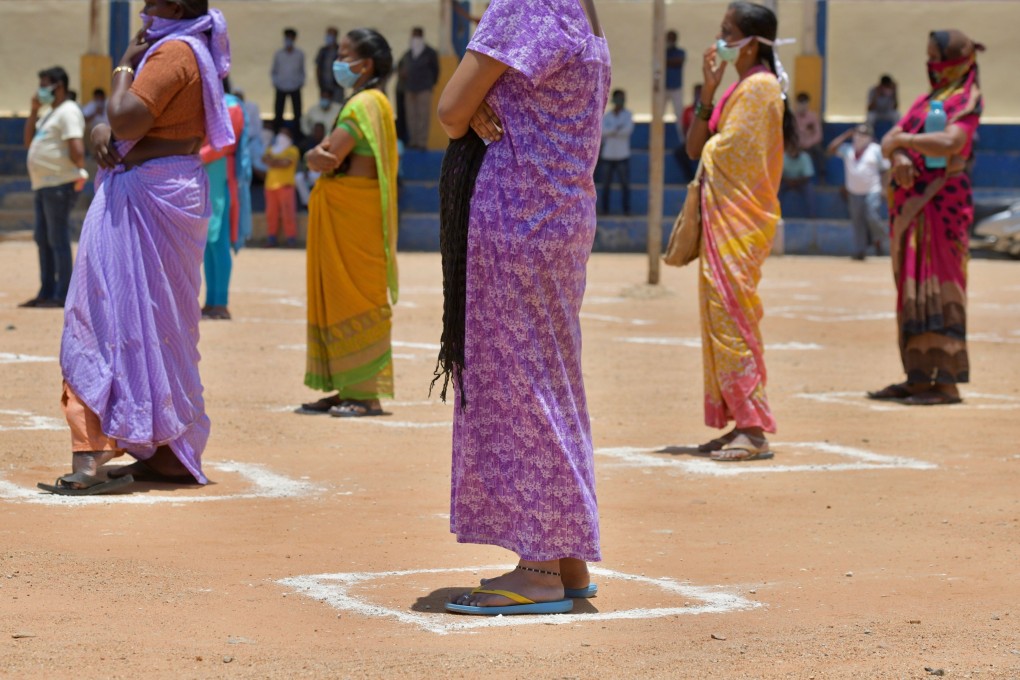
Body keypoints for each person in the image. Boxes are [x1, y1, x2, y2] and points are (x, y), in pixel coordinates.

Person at [435, 0, 609, 616]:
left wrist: (482, 103)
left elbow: (452, 110)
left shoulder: (525, 3)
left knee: (518, 382)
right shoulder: (581, 9)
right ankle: (566, 553)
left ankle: (538, 567)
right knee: (552, 376)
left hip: (517, 211)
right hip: (561, 212)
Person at [37, 0, 234, 495]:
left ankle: (90, 455)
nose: (144, 7)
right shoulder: (192, 49)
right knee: (159, 322)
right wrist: (109, 130)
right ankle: (165, 455)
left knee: (102, 315)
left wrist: (124, 61)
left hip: (145, 195)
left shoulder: (173, 54)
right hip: (166, 190)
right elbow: (137, 127)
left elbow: (126, 120)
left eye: (152, 0)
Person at [685, 1, 795, 461]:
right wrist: (708, 92)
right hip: (724, 219)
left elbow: (729, 156)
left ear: (751, 43)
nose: (720, 38)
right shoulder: (736, 90)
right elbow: (696, 147)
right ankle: (738, 420)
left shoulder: (762, 89)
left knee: (732, 317)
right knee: (719, 315)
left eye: (728, 31)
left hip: (740, 221)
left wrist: (712, 152)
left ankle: (753, 427)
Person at [868, 30, 984, 407]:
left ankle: (946, 381)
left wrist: (906, 144)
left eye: (936, 58)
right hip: (911, 210)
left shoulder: (967, 100)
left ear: (953, 63)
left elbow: (951, 142)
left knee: (943, 288)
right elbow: (887, 140)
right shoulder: (924, 101)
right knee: (912, 290)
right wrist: (899, 155)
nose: (930, 66)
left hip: (942, 206)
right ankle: (918, 377)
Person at [298, 28, 399, 419]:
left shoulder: (361, 105)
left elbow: (328, 156)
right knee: (348, 294)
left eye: (343, 55)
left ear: (365, 64)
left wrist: (312, 154)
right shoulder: (378, 102)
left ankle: (365, 393)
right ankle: (347, 387)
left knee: (355, 295)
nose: (336, 63)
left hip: (351, 213)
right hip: (356, 210)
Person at [20, 66, 87, 309]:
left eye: (44, 84)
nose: (40, 90)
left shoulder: (68, 111)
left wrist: (74, 172)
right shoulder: (50, 113)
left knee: (56, 238)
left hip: (59, 184)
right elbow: (28, 142)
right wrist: (34, 111)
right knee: (43, 238)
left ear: (58, 86)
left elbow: (77, 150)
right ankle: (47, 291)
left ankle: (62, 293)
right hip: (43, 185)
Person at [201, 85, 251, 320]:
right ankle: (211, 301)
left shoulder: (231, 106)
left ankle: (221, 301)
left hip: (221, 176)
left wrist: (194, 155)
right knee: (207, 244)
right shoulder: (203, 101)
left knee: (219, 240)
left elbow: (225, 144)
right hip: (205, 176)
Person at [827, 124, 888, 260]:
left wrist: (885, 188)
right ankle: (860, 251)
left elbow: (885, 170)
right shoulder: (848, 149)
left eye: (864, 134)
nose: (860, 137)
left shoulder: (876, 150)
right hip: (854, 191)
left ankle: (880, 238)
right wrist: (845, 135)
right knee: (857, 222)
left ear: (870, 137)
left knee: (872, 215)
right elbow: (831, 149)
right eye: (858, 133)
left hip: (873, 189)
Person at [397, 27, 440, 150]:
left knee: (423, 115)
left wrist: (431, 83)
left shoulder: (430, 53)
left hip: (424, 88)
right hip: (409, 88)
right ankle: (413, 140)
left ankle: (421, 142)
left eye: (417, 35)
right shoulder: (408, 53)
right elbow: (400, 67)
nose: (415, 38)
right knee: (411, 116)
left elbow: (435, 70)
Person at [262, 125, 300, 247]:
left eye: (285, 134)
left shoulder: (293, 150)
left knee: (288, 213)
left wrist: (273, 161)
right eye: (280, 133)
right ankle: (271, 237)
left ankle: (291, 238)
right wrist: (276, 161)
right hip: (270, 186)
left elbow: (286, 163)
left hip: (286, 186)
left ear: (290, 137)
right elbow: (265, 159)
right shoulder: (271, 149)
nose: (281, 136)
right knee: (271, 214)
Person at [600, 89, 633, 215]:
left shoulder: (628, 115)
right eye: (619, 98)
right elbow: (602, 132)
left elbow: (627, 131)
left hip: (622, 155)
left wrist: (611, 131)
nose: (621, 101)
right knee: (606, 186)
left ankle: (626, 210)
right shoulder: (607, 116)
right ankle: (605, 210)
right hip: (608, 155)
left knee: (625, 185)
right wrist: (617, 128)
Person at [271, 28, 305, 134]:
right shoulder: (279, 54)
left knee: (297, 113)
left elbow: (302, 71)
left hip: (295, 87)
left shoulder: (299, 54)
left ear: (294, 39)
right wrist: (276, 83)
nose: (288, 40)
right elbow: (274, 70)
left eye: (291, 38)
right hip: (281, 87)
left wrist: (300, 83)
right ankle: (277, 133)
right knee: (278, 112)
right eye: (287, 37)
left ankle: (297, 135)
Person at [793, 91, 825, 181]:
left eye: (805, 103)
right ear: (796, 103)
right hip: (797, 145)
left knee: (818, 150)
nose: (803, 106)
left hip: (811, 145)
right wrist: (800, 144)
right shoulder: (792, 118)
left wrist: (809, 143)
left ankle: (822, 176)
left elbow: (818, 135)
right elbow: (791, 135)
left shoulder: (813, 117)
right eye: (800, 103)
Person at [780, 140, 815, 218]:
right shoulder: (782, 157)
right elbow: (778, 175)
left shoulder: (805, 157)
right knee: (776, 190)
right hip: (786, 181)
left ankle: (812, 216)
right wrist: (788, 181)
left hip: (801, 182)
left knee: (809, 189)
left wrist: (795, 182)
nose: (793, 151)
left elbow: (808, 176)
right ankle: (776, 214)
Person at [664, 30, 686, 141]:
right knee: (658, 115)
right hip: (663, 89)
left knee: (679, 115)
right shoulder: (662, 52)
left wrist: (665, 60)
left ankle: (683, 141)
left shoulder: (680, 52)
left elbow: (678, 62)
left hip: (676, 87)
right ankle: (655, 141)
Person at [315, 26, 343, 103]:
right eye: (328, 35)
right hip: (324, 86)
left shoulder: (340, 51)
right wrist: (320, 84)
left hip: (337, 86)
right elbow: (318, 67)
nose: (329, 37)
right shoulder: (323, 51)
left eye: (331, 35)